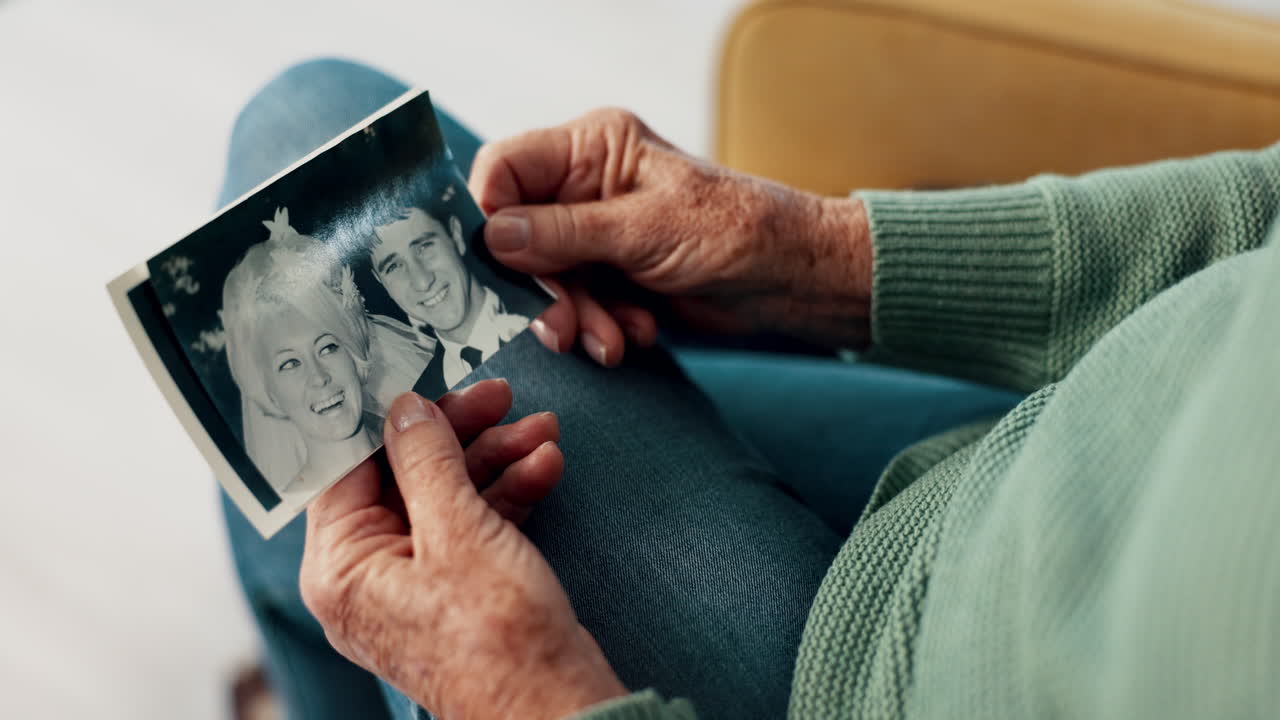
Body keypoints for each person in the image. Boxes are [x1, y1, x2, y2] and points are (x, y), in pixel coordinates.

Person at [225, 59, 1280, 720]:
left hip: (883, 683)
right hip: (1030, 453)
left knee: (304, 124)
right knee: (318, 494)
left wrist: (528, 703)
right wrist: (815, 260)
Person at [220, 207, 430, 502]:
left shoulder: (424, 430)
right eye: (290, 363)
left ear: (354, 352)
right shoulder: (296, 515)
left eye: (328, 347)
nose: (319, 377)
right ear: (268, 390)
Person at [367, 206, 532, 390]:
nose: (422, 282)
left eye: (424, 246)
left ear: (456, 235)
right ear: (381, 282)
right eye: (393, 267)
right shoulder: (426, 395)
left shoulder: (541, 299)